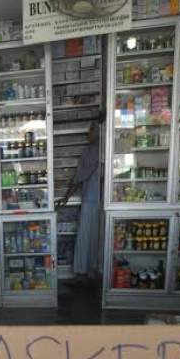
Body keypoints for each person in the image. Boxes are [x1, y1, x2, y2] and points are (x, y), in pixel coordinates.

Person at [69, 117, 103, 286]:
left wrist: (66, 196)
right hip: (98, 199)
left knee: (85, 236)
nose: (87, 134)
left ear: (97, 131)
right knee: (95, 237)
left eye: (90, 130)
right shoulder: (102, 148)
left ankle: (82, 273)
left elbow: (80, 175)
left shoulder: (91, 150)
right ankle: (92, 271)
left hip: (91, 200)